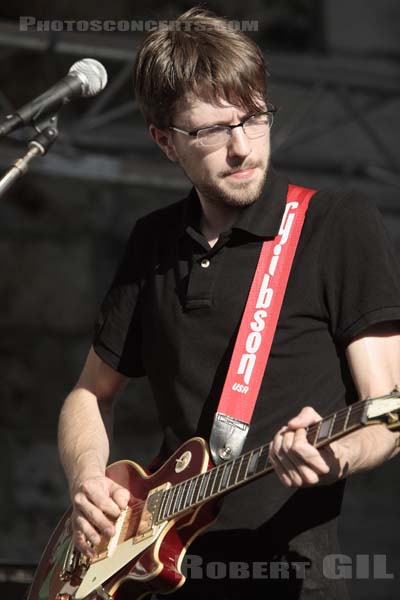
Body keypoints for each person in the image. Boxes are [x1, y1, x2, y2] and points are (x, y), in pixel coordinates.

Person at [58, 7, 400, 599]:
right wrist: (88, 480)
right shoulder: (153, 241)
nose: (243, 147)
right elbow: (90, 393)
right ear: (165, 142)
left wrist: (337, 455)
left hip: (291, 580)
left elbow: (388, 412)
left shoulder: (336, 224)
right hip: (160, 575)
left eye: (255, 119)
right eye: (212, 130)